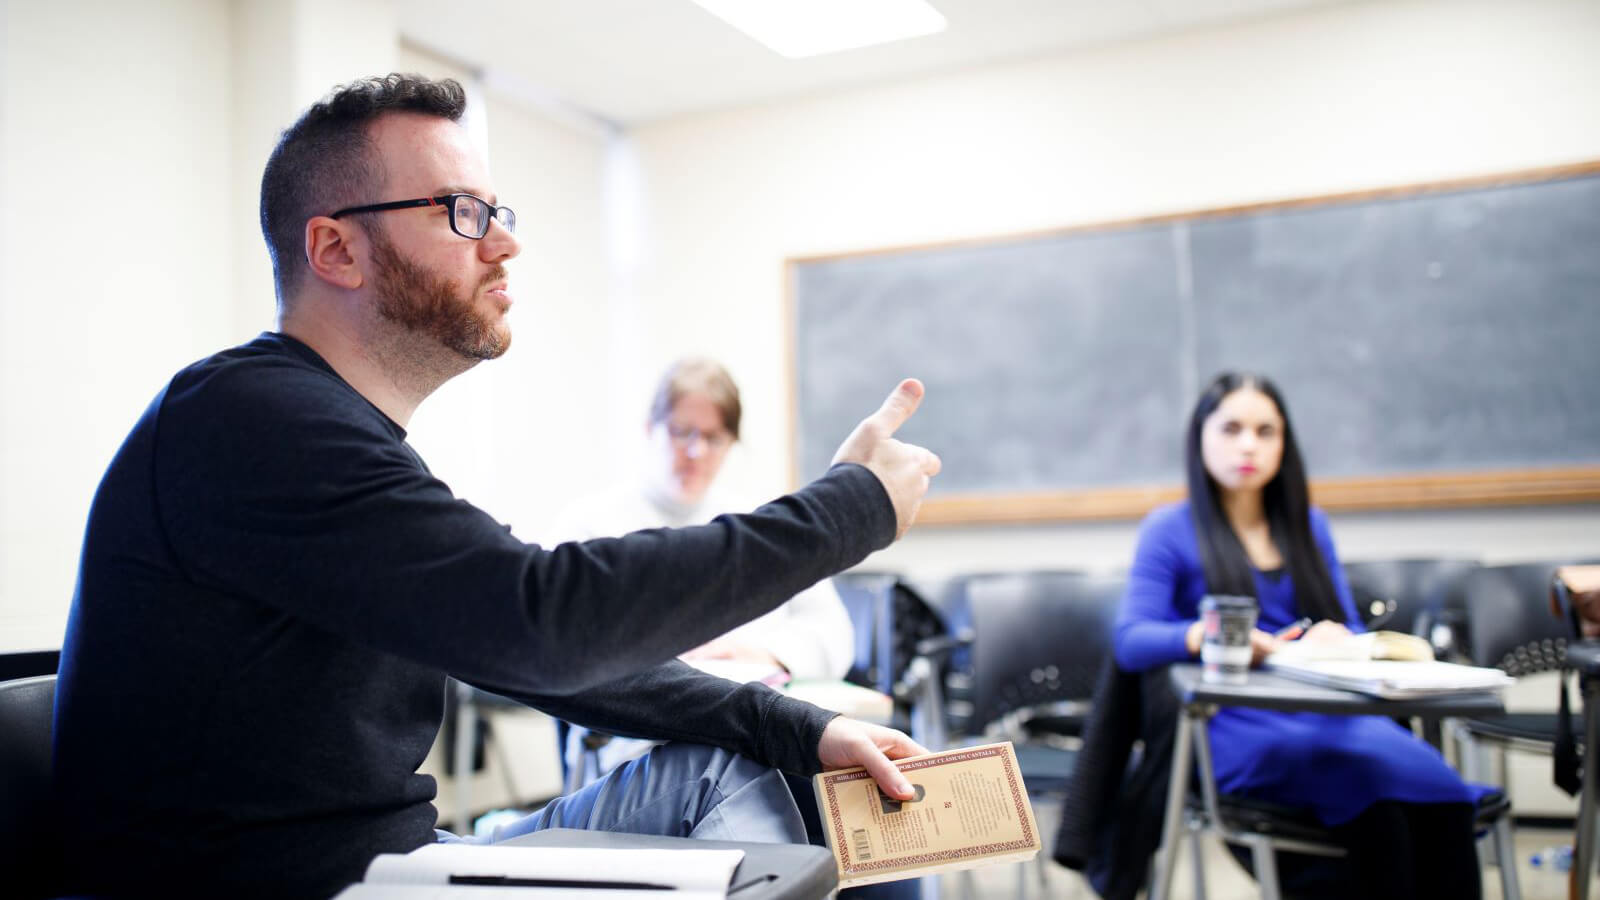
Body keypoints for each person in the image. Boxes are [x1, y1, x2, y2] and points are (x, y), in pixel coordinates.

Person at [51, 73, 941, 900]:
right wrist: (849, 505)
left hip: (404, 868)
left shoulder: (339, 439)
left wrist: (794, 726)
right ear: (335, 248)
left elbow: (548, 655)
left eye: (495, 210)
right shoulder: (245, 419)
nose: (505, 242)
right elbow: (544, 625)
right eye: (463, 212)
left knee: (740, 765)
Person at [1113, 371, 1485, 899]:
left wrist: (1341, 639)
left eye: (1266, 431)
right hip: (1233, 718)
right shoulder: (1169, 529)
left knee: (1439, 795)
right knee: (1376, 807)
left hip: (1324, 714)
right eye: (1231, 428)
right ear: (1200, 437)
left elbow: (1345, 626)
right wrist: (1221, 636)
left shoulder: (1308, 525)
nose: (1249, 445)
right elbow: (1132, 639)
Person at [551, 358, 856, 780]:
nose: (696, 451)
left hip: (759, 743)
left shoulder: (760, 523)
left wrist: (765, 654)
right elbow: (565, 645)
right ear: (650, 428)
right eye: (682, 432)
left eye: (713, 437)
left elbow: (832, 631)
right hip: (638, 756)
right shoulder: (590, 524)